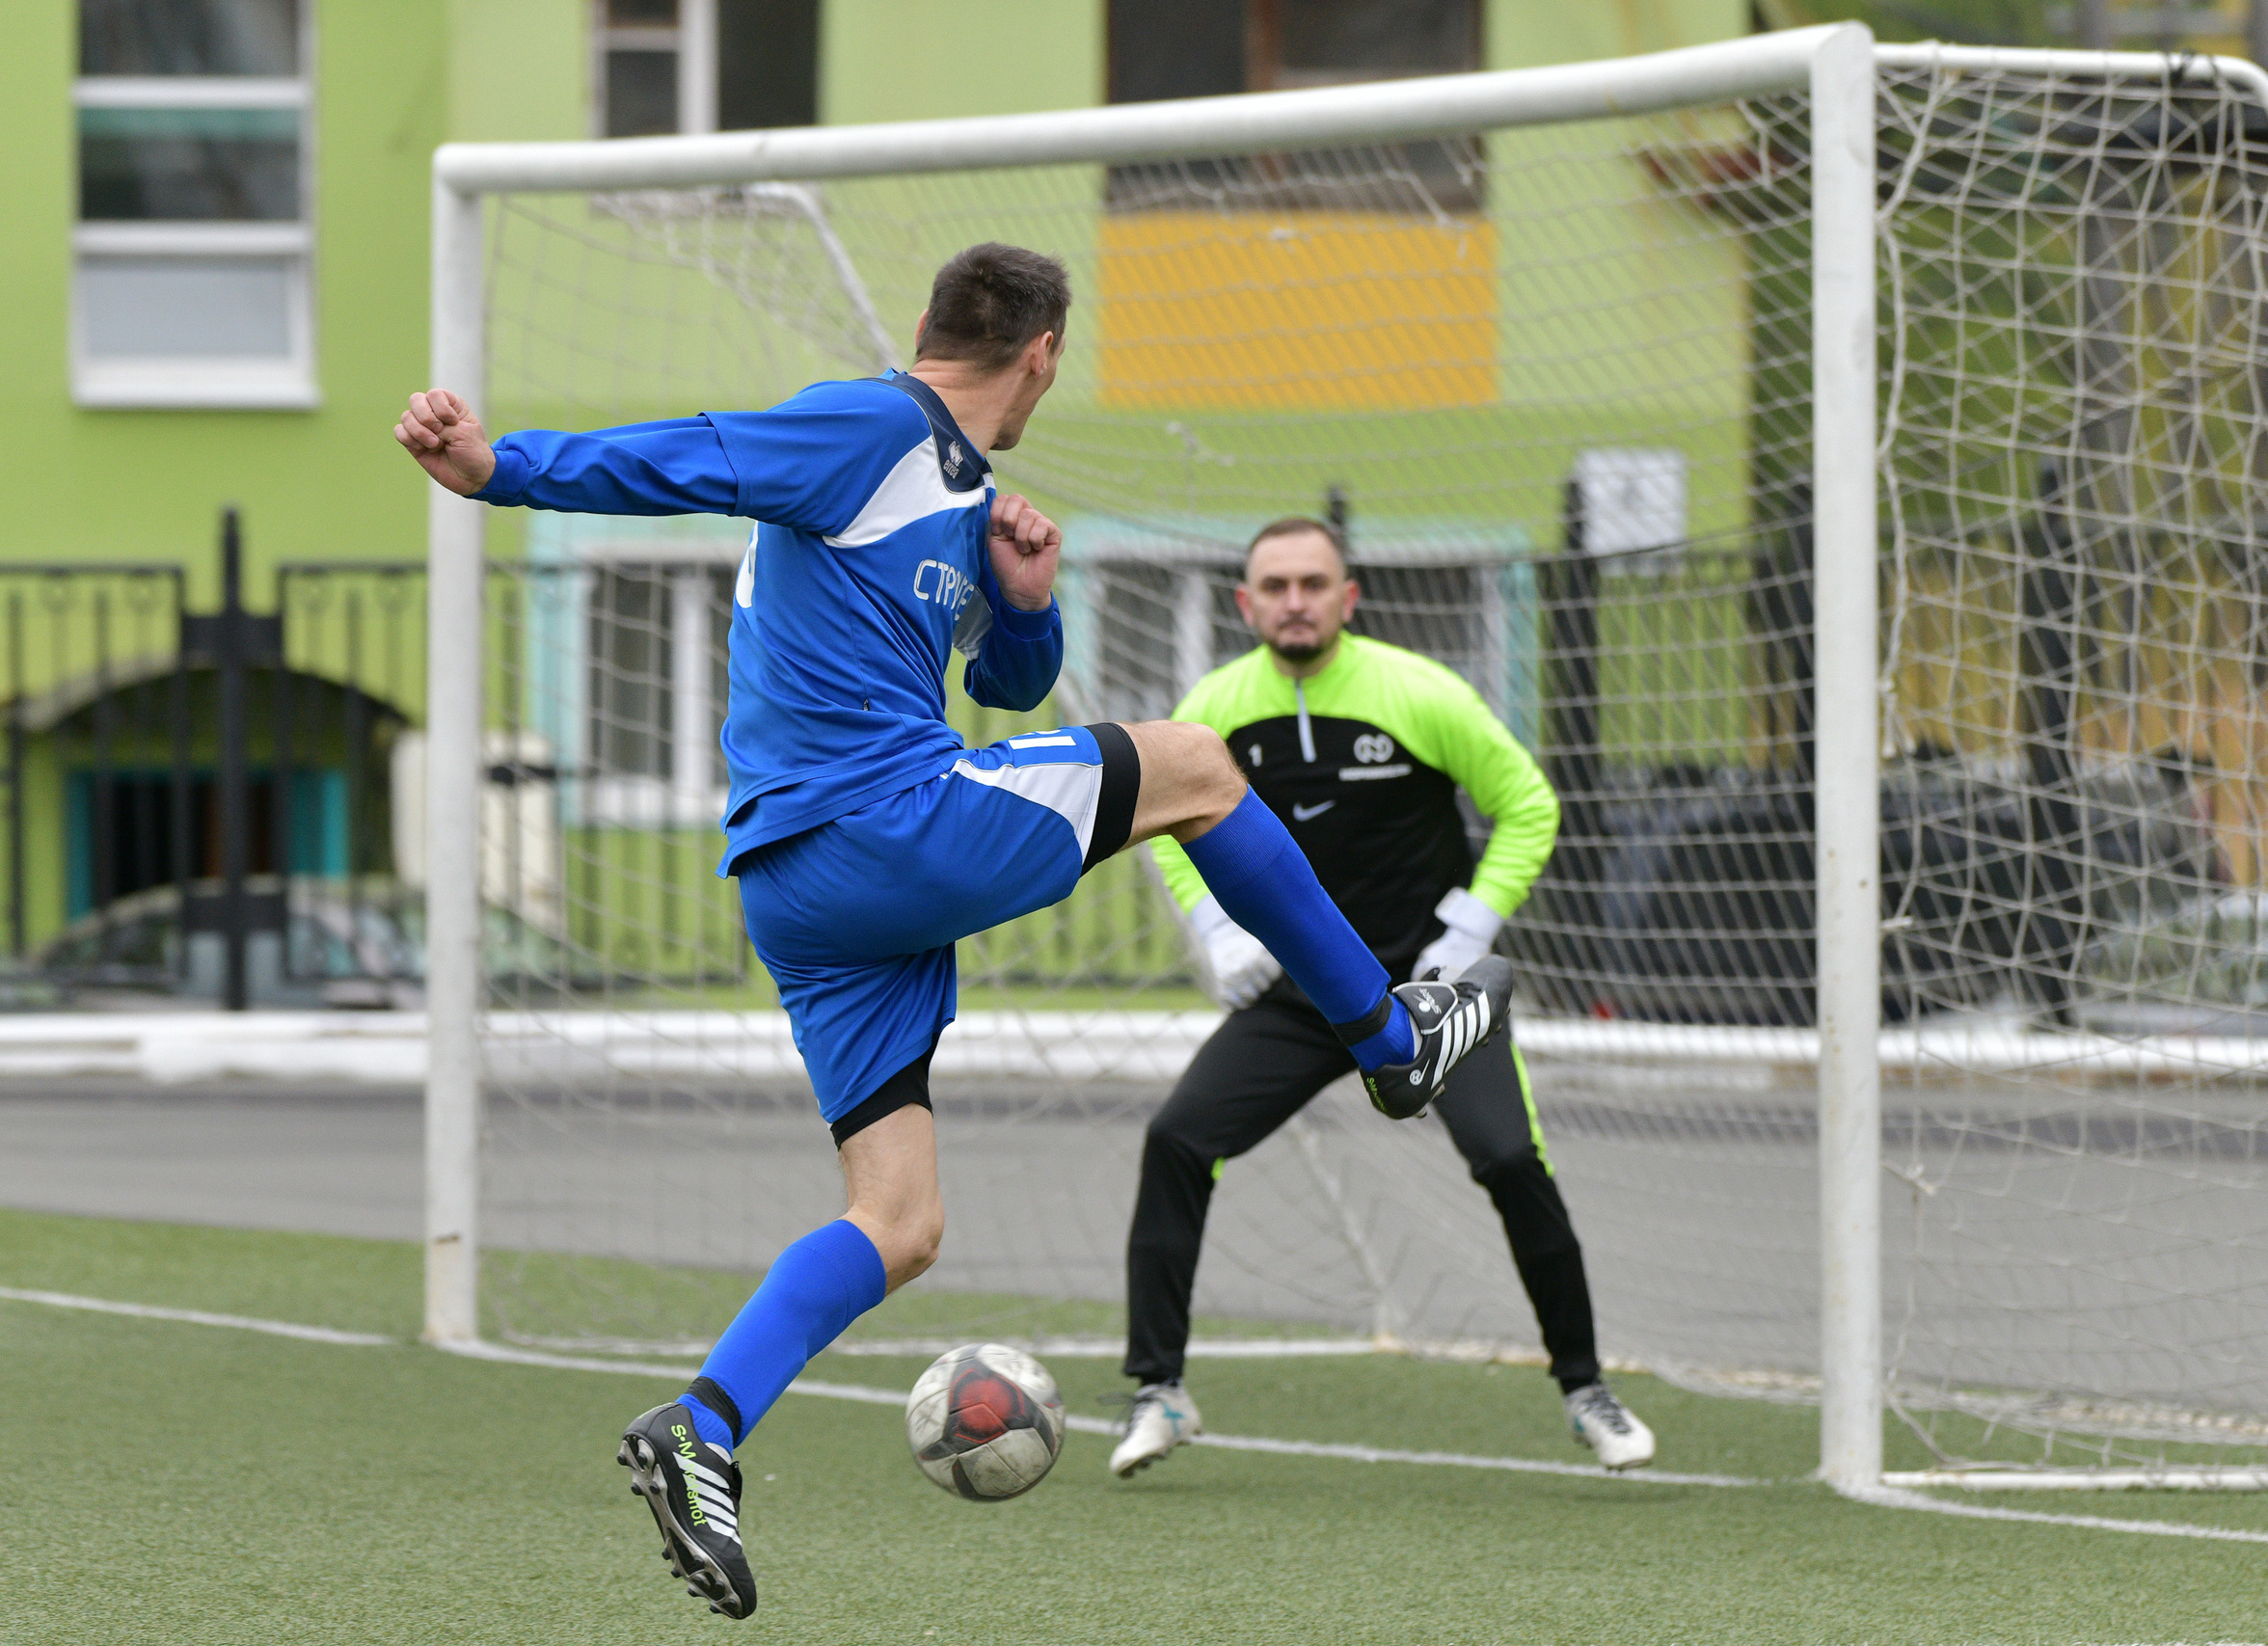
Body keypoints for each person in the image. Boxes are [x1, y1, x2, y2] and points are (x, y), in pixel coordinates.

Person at [392, 244, 1510, 1620]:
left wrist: (1029, 602)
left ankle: (702, 1427)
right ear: (1041, 352)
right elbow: (692, 453)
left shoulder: (966, 493)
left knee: (901, 1220)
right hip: (871, 825)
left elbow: (1002, 683)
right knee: (1199, 765)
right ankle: (1394, 1039)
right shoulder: (869, 425)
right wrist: (502, 468)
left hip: (810, 888)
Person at [1105, 516, 1654, 1480]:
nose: (1294, 601)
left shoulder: (1419, 691)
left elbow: (1529, 803)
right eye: (1273, 586)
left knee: (1509, 1161)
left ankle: (1584, 1390)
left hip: (1429, 993)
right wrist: (1215, 928)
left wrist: (1471, 925)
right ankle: (1158, 1392)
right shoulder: (1215, 708)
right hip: (1295, 995)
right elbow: (1167, 822)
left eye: (1313, 583)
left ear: (1347, 597)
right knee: (1176, 1141)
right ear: (1245, 604)